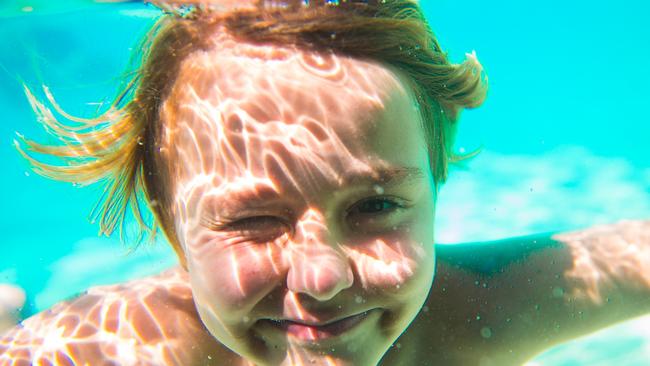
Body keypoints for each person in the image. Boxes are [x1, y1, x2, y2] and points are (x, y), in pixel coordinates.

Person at [1, 1, 649, 365]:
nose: (322, 277)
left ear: (437, 180)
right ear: (173, 225)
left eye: (376, 205)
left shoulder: (472, 312)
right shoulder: (105, 352)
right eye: (253, 221)